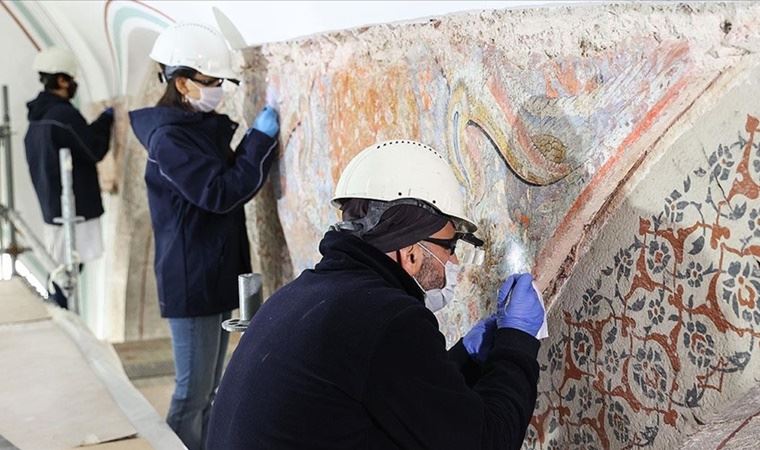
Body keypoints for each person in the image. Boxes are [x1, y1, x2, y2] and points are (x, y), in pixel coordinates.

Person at [207, 140, 545, 449]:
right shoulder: (388, 319)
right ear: (412, 253)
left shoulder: (302, 294)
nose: (454, 262)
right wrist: (517, 342)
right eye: (450, 246)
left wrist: (466, 359)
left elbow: (397, 392)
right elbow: (486, 442)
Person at [129, 22, 279, 450]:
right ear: (182, 83)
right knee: (191, 394)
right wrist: (258, 142)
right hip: (191, 278)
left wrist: (253, 142)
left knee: (211, 390)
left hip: (211, 268)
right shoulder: (168, 139)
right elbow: (219, 192)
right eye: (211, 82)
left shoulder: (193, 127)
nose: (218, 90)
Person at [24, 46, 114, 309]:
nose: (74, 85)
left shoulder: (37, 118)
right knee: (66, 277)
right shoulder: (62, 115)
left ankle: (61, 317)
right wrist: (105, 120)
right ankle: (62, 323)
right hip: (71, 209)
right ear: (62, 80)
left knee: (61, 272)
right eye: (72, 79)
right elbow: (92, 148)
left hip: (53, 209)